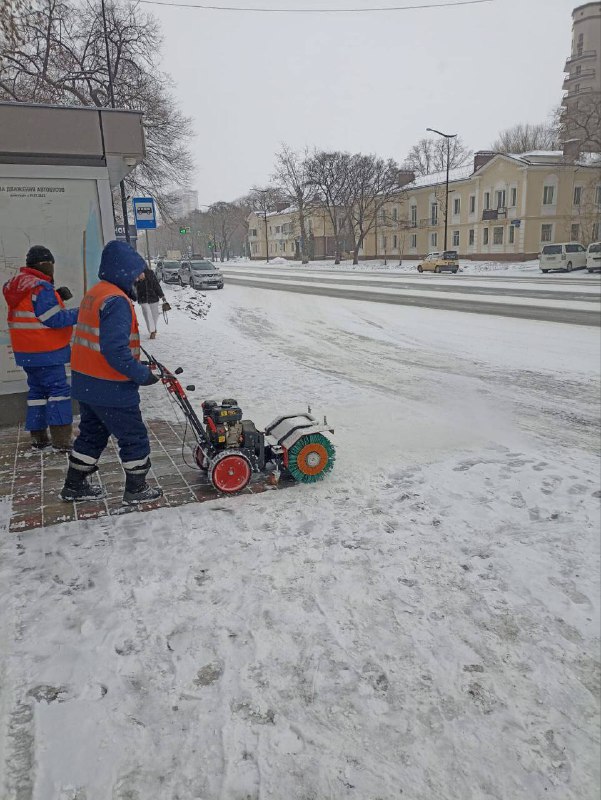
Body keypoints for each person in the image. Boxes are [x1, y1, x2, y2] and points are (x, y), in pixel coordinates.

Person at [59, 240, 163, 505]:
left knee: (92, 434)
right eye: (137, 270)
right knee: (133, 437)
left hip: (86, 384)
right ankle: (137, 489)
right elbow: (115, 351)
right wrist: (142, 374)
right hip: (111, 387)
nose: (141, 276)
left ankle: (74, 485)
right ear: (123, 270)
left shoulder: (96, 293)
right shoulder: (116, 301)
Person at [2, 245, 78, 452]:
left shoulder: (16, 284)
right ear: (46, 264)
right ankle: (62, 439)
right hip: (46, 351)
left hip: (26, 352)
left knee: (37, 392)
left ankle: (39, 437)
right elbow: (53, 318)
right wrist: (81, 313)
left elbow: (32, 311)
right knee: (58, 392)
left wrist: (58, 297)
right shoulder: (41, 287)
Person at [136, 265, 170, 339]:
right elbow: (133, 288)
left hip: (153, 298)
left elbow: (156, 285)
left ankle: (153, 329)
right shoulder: (134, 274)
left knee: (155, 316)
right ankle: (152, 331)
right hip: (143, 299)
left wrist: (162, 296)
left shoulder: (150, 273)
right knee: (147, 315)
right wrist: (139, 280)